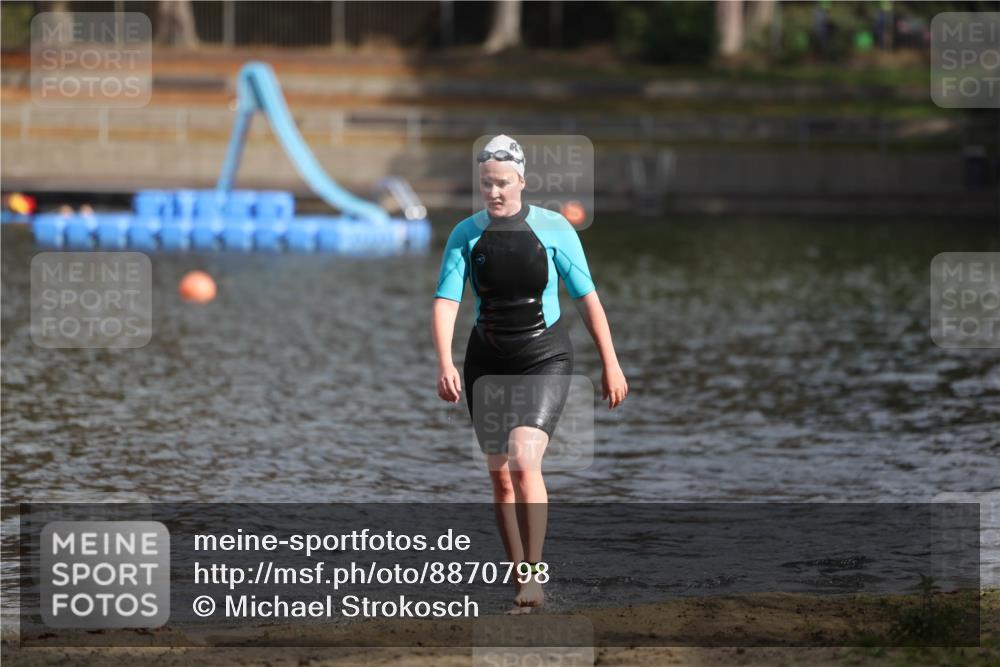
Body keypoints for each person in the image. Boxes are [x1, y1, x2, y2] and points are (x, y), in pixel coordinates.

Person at [431, 135, 628, 612]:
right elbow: (446, 301)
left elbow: (587, 299)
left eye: (502, 183)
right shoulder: (465, 234)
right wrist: (444, 362)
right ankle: (520, 575)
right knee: (499, 479)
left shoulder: (555, 229)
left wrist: (611, 361)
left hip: (544, 356)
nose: (494, 193)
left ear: (521, 180)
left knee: (524, 458)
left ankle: (534, 574)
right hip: (487, 360)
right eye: (486, 185)